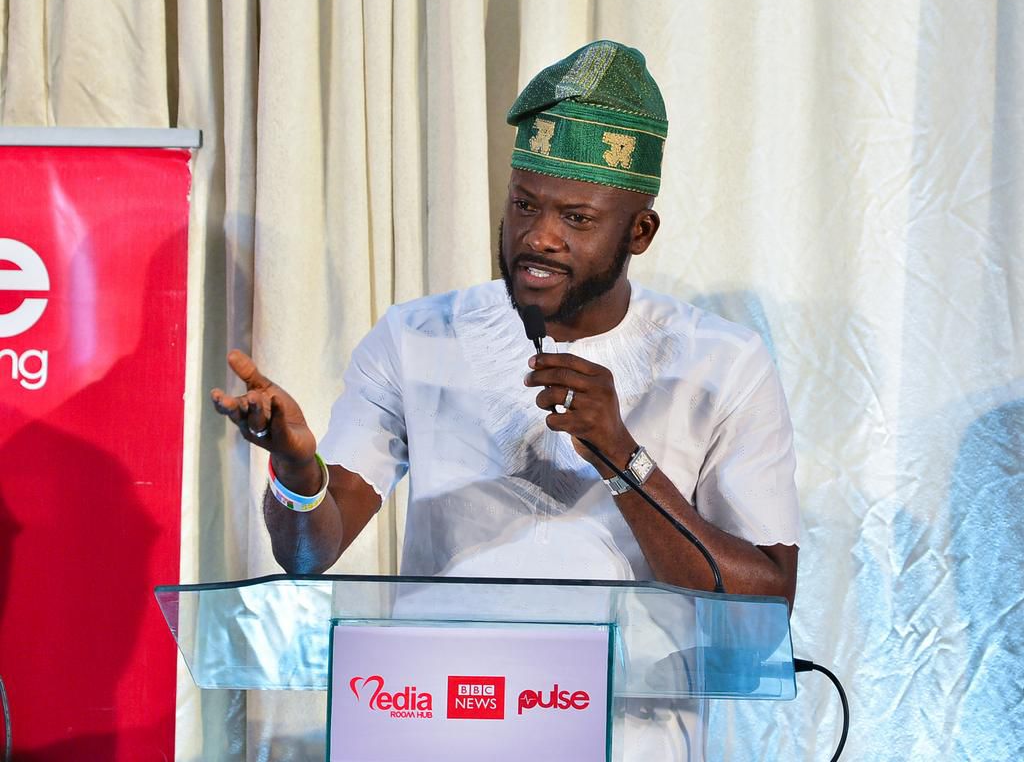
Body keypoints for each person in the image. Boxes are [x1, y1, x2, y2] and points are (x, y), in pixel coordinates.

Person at [212, 40, 801, 759]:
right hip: (431, 733)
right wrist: (300, 478)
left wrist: (622, 456)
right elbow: (310, 553)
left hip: (628, 743)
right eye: (524, 205)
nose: (539, 237)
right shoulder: (416, 337)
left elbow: (764, 604)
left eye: (577, 219)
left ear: (638, 232)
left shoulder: (722, 364)